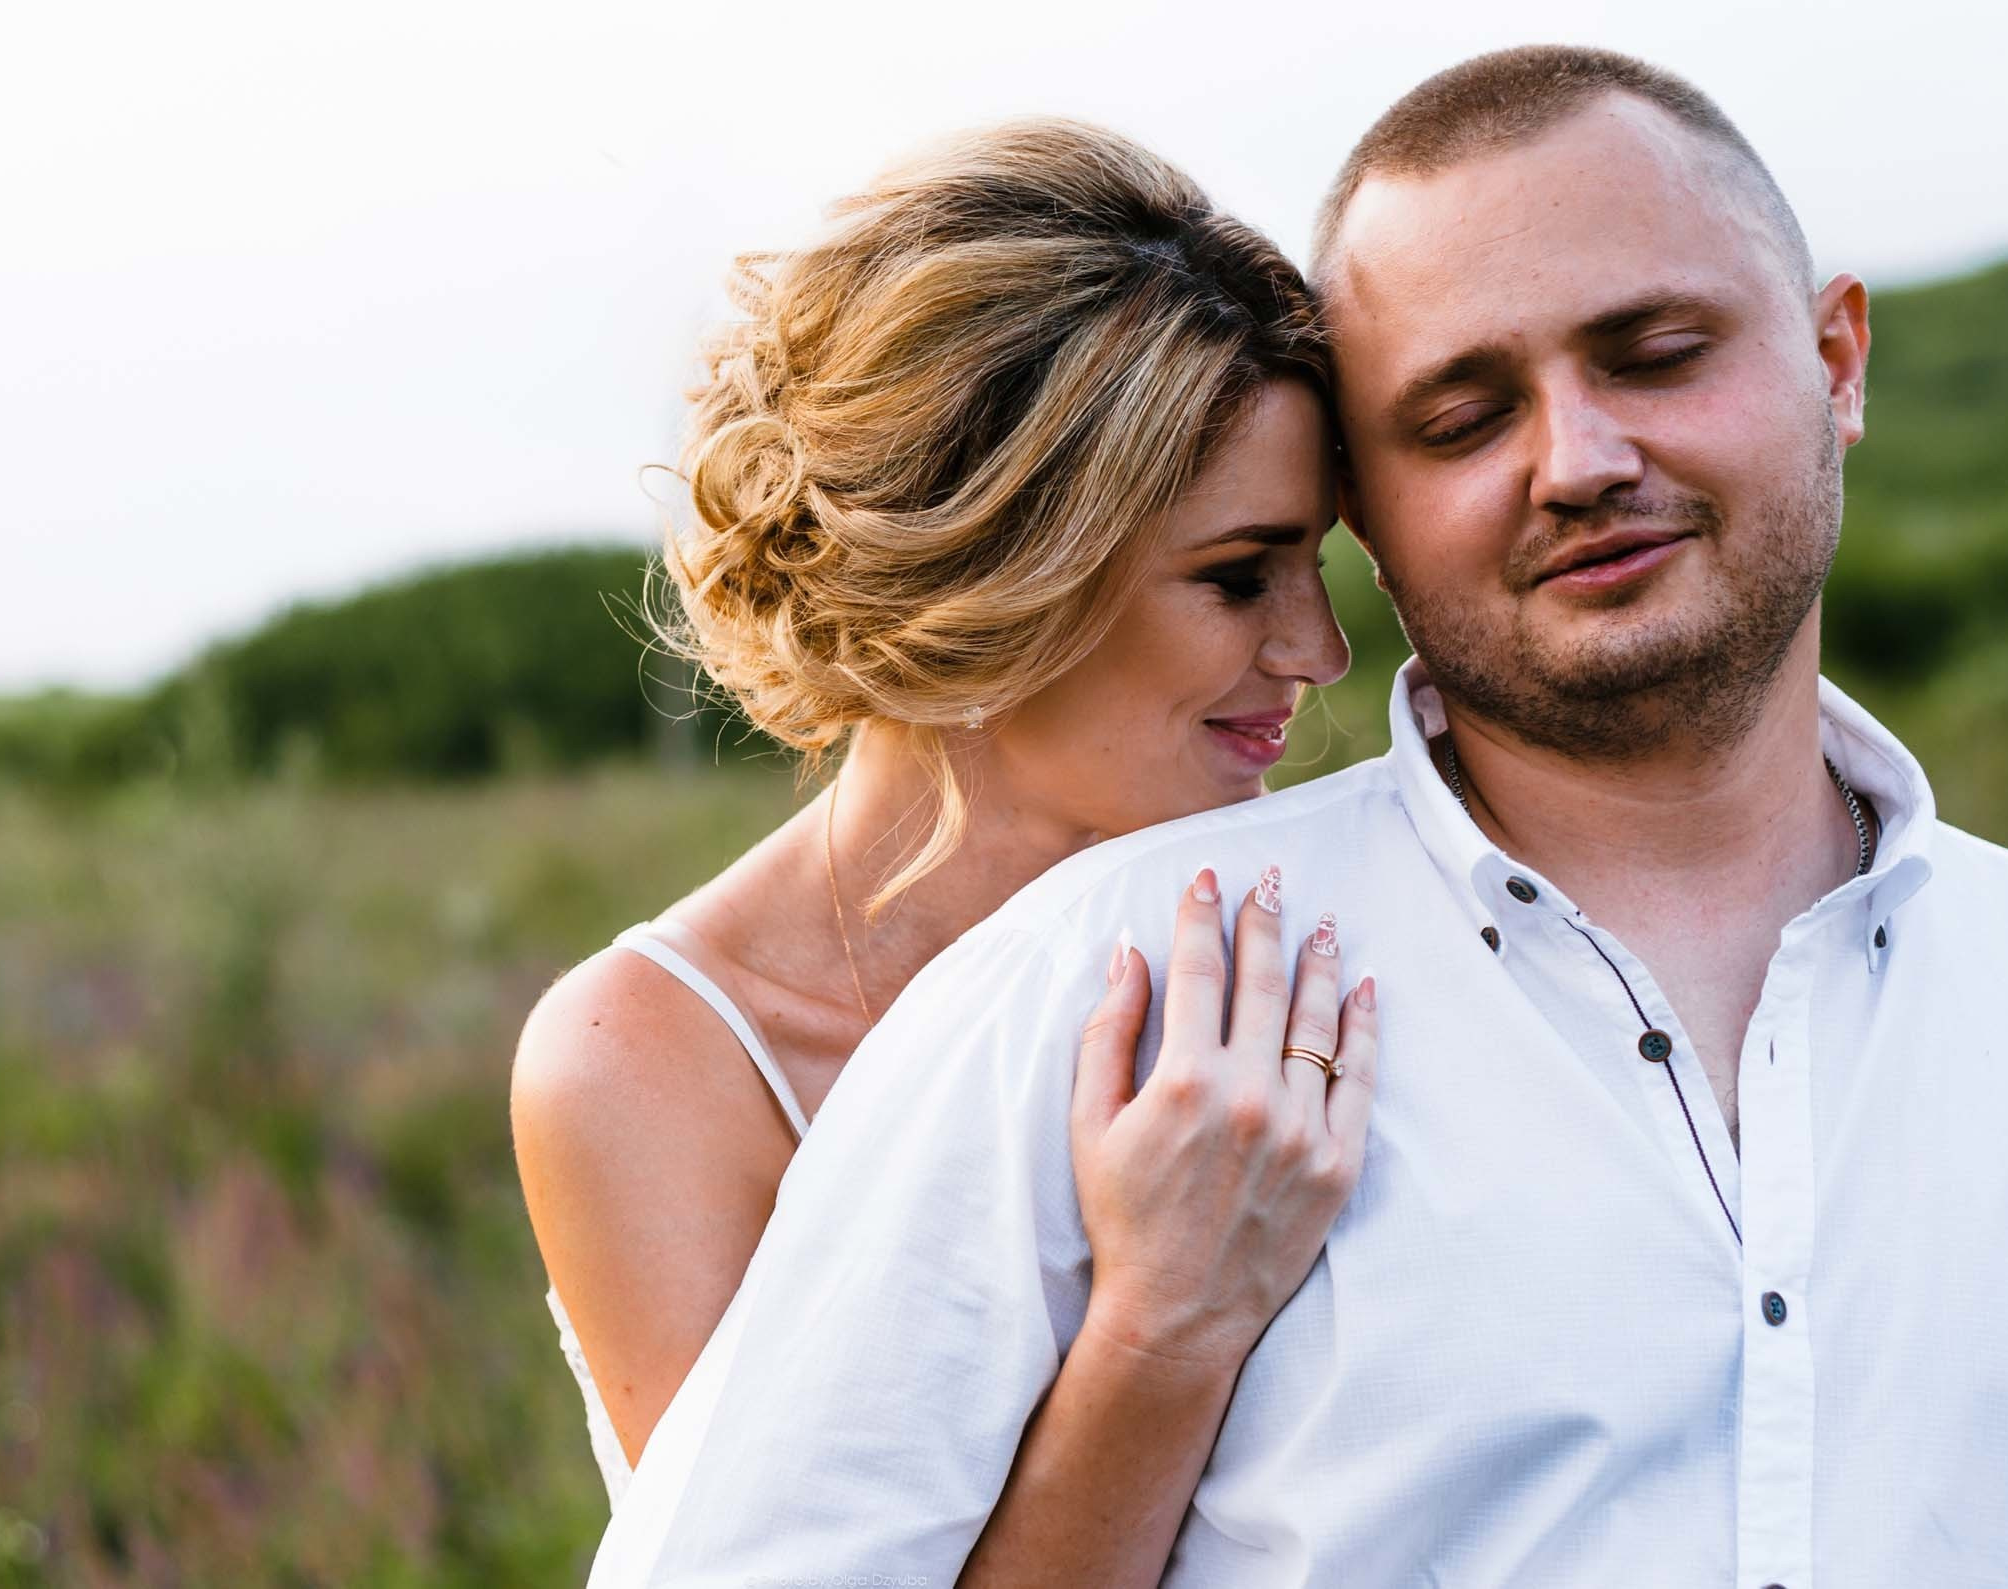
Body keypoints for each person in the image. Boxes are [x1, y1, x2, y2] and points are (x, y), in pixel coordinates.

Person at [591, 45, 2008, 1588]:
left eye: (1658, 351)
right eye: (1464, 416)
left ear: (1837, 359)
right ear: (1373, 499)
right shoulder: (1086, 995)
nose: (1582, 461)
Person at [509, 119, 1377, 1584]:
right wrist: (1164, 1322)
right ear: (999, 582)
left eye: (1318, 565)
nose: (1320, 650)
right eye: (1239, 577)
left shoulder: (1296, 934)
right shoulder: (647, 1058)